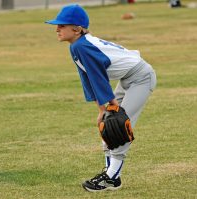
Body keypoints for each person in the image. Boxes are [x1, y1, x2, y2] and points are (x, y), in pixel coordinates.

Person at [45, 4, 156, 192]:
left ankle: (111, 177)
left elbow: (98, 77)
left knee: (120, 124)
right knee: (108, 123)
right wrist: (102, 110)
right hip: (128, 77)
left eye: (62, 25)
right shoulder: (76, 46)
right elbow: (87, 78)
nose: (57, 29)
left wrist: (110, 108)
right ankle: (112, 175)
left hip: (141, 77)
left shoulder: (83, 46)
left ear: (77, 28)